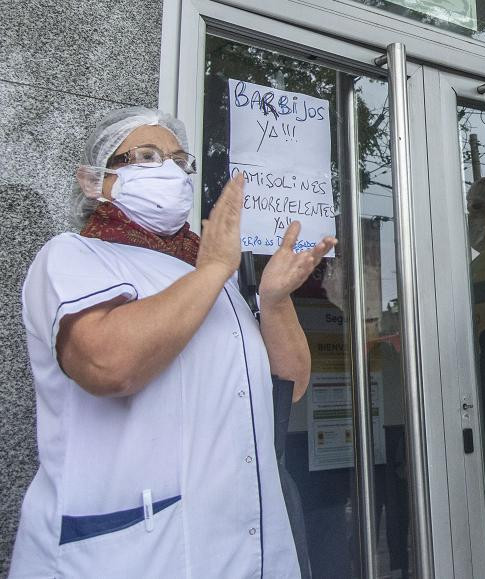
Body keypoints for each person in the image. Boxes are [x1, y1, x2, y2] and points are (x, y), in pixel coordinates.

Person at [11, 107, 335, 577]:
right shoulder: (73, 255)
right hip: (130, 553)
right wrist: (212, 269)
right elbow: (108, 365)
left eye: (179, 160)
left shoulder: (211, 280)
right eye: (145, 156)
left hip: (243, 542)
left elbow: (290, 385)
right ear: (94, 180)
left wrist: (274, 299)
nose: (168, 169)